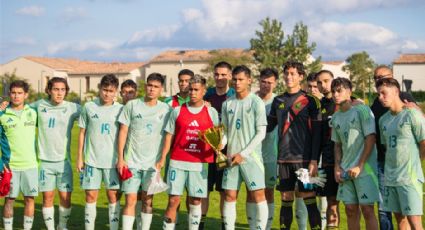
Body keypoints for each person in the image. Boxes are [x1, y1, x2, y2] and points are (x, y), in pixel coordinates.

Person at [156, 74, 220, 230]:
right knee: (173, 200)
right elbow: (169, 136)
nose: (192, 92)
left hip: (199, 164)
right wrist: (163, 158)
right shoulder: (177, 111)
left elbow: (217, 138)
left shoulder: (211, 112)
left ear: (204, 91)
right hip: (177, 162)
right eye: (190, 89)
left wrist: (218, 149)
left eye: (196, 90)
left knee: (195, 201)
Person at [267, 61, 322, 230]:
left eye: (293, 73)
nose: (289, 77)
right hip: (283, 160)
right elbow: (267, 127)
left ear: (301, 76)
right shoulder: (278, 100)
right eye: (286, 73)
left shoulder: (310, 101)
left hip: (304, 160)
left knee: (309, 198)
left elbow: (317, 134)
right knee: (285, 198)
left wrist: (314, 160)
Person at [117, 73, 171, 230]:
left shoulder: (166, 109)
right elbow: (123, 131)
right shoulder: (132, 105)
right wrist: (121, 158)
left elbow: (168, 136)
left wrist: (162, 160)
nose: (151, 89)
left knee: (148, 200)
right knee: (130, 199)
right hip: (131, 162)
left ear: (161, 89)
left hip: (152, 165)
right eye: (149, 85)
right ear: (145, 86)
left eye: (155, 86)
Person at [221, 65, 268, 230]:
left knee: (257, 194)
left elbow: (261, 132)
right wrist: (221, 144)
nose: (237, 82)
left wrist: (244, 154)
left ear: (249, 80)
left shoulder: (256, 102)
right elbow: (226, 131)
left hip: (251, 157)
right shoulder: (227, 104)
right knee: (229, 194)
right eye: (234, 79)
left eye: (240, 79)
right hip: (231, 157)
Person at [370, 65, 416, 230]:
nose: (379, 80)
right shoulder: (375, 103)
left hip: (404, 165)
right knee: (384, 209)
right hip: (383, 162)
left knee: (407, 213)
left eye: (382, 76)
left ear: (392, 76)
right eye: (376, 78)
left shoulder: (404, 97)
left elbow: (418, 122)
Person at [331, 77, 379, 230]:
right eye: (333, 91)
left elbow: (371, 138)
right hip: (345, 169)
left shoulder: (362, 110)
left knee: (367, 210)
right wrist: (337, 167)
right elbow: (337, 145)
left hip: (364, 169)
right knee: (350, 210)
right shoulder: (336, 117)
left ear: (349, 92)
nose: (335, 94)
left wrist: (360, 165)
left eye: (339, 91)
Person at [377, 78, 424, 230]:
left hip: (409, 178)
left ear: (396, 91)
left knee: (415, 223)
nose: (380, 97)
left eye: (384, 93)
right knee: (400, 221)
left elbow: (423, 142)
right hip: (390, 179)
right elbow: (387, 147)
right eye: (378, 94)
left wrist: (417, 163)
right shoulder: (383, 120)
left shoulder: (412, 114)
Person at [77, 74, 123, 230]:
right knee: (90, 196)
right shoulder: (89, 107)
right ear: (100, 89)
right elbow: (82, 132)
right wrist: (79, 158)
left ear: (116, 91)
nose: (107, 94)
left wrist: (122, 159)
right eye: (105, 90)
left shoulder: (121, 109)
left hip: (112, 162)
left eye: (111, 91)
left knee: (113, 196)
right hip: (91, 161)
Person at [34, 77, 81, 230]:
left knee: (65, 197)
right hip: (44, 161)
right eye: (56, 89)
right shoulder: (39, 105)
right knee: (47, 197)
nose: (59, 93)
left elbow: (93, 113)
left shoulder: (73, 108)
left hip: (64, 161)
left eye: (63, 89)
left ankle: (62, 226)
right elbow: (19, 108)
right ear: (48, 90)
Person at [1, 80, 38, 230]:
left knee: (30, 199)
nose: (16, 96)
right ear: (9, 94)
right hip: (10, 167)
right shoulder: (2, 115)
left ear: (26, 95)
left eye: (20, 93)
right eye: (13, 93)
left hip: (31, 165)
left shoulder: (33, 113)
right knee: (10, 200)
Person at [203, 61, 235, 229]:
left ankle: (225, 225)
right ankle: (200, 224)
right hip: (208, 151)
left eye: (223, 74)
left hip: (226, 151)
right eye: (217, 74)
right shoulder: (206, 94)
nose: (220, 78)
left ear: (230, 76)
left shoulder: (234, 94)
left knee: (224, 190)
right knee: (204, 189)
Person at [316, 70, 340, 229]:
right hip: (329, 161)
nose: (323, 85)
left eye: (326, 81)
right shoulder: (318, 106)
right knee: (331, 202)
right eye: (319, 82)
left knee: (355, 205)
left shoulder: (350, 103)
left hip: (350, 160)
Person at [255, 68, 278, 230]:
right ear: (259, 81)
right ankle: (256, 225)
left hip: (272, 155)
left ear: (275, 83)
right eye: (263, 81)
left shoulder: (279, 102)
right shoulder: (251, 99)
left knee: (269, 192)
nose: (266, 85)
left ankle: (267, 227)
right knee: (255, 192)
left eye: (270, 82)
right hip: (253, 155)